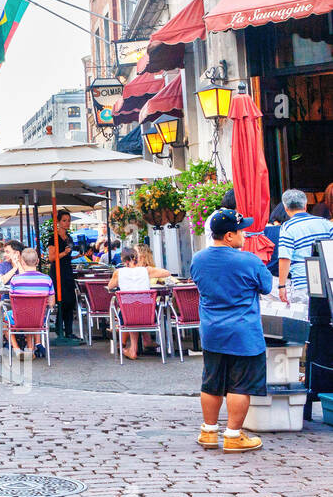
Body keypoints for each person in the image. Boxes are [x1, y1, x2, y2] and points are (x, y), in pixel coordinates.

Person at [190, 209, 273, 452]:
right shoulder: (248, 260)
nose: (245, 235)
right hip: (243, 333)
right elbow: (266, 287)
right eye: (241, 230)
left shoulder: (198, 259)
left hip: (212, 331)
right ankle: (234, 435)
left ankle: (208, 431)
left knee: (211, 382)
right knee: (240, 385)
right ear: (228, 235)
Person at [107, 246, 173, 360]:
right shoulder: (146, 270)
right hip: (147, 313)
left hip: (128, 315)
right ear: (136, 258)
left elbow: (110, 287)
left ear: (123, 260)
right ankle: (135, 347)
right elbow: (167, 273)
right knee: (138, 306)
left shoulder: (118, 272)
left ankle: (133, 349)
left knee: (131, 308)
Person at [276, 188, 333, 310]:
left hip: (303, 283)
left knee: (306, 323)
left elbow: (285, 258)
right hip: (328, 281)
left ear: (286, 208)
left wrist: (282, 286)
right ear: (306, 206)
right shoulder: (325, 223)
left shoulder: (287, 227)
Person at [7, 247, 54, 359]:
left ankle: (17, 349)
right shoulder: (47, 279)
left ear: (22, 261)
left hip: (20, 318)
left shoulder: (15, 280)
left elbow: (12, 300)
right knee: (32, 314)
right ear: (37, 261)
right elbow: (52, 303)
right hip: (39, 319)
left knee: (6, 318)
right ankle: (30, 349)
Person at [46, 210, 80, 340]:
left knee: (70, 301)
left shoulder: (69, 238)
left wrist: (78, 255)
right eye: (64, 220)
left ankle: (69, 331)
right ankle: (61, 329)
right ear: (58, 222)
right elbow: (51, 258)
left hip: (67, 270)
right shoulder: (53, 238)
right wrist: (64, 253)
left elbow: (67, 258)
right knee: (62, 300)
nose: (67, 223)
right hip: (58, 271)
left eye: (68, 220)